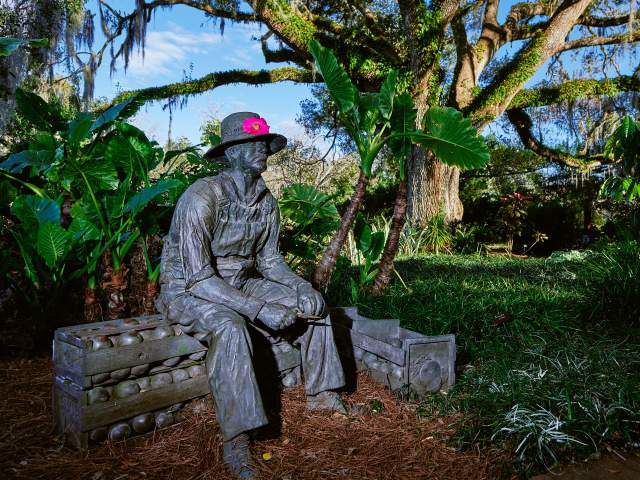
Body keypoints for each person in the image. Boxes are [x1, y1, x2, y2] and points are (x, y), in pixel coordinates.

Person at [156, 112, 346, 478]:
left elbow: (271, 261)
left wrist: (303, 289)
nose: (261, 148)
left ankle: (322, 393)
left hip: (240, 283)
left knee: (314, 308)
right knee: (230, 327)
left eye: (263, 143)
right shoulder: (201, 197)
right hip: (189, 290)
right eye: (251, 143)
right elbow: (198, 279)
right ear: (231, 153)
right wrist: (259, 309)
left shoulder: (265, 202)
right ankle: (237, 438)